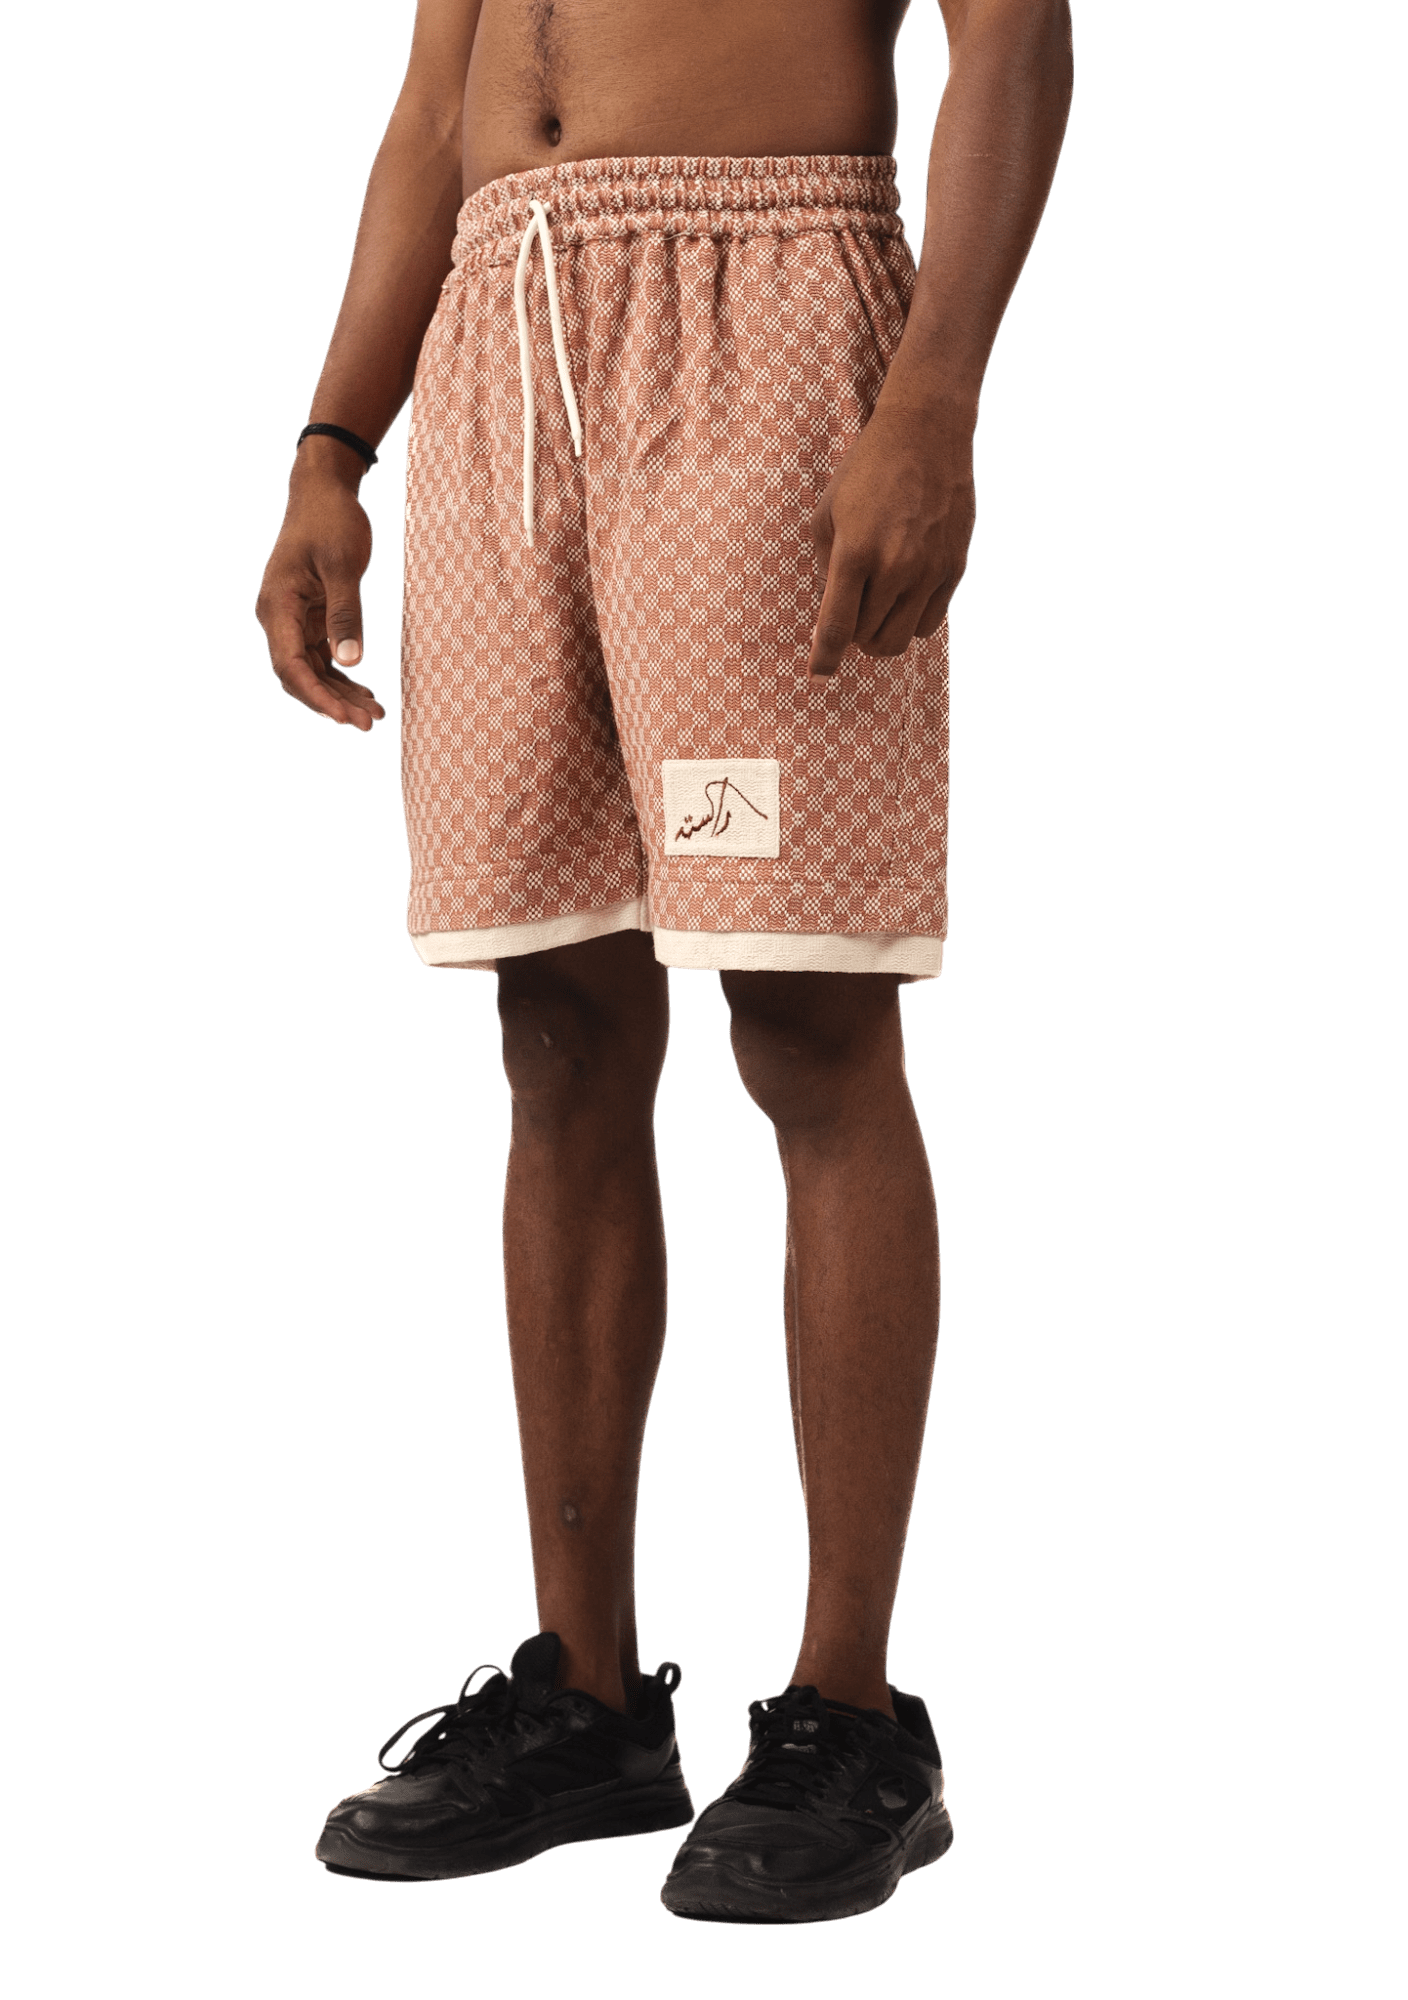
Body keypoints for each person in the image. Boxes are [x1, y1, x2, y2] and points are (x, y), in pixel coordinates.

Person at [256, 0, 1072, 1926]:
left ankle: (853, 1719)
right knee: (551, 1024)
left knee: (806, 1021)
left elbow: (1016, 26)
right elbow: (427, 112)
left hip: (758, 319)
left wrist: (938, 391)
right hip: (494, 339)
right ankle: (590, 1704)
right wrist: (330, 446)